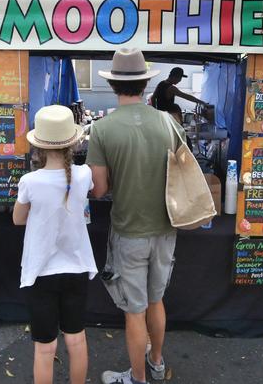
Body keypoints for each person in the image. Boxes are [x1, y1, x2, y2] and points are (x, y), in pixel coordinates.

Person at [87, 48, 184, 384]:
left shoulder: (103, 129)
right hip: (166, 228)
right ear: (146, 83)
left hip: (129, 230)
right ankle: (156, 364)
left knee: (135, 311)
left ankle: (137, 379)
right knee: (156, 301)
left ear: (114, 85)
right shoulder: (170, 123)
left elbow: (98, 190)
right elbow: (183, 175)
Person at [13, 105, 98, 384]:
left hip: (41, 272)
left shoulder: (30, 181)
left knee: (45, 346)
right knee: (76, 339)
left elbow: (18, 219)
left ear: (38, 147)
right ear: (71, 143)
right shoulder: (83, 174)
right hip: (76, 269)